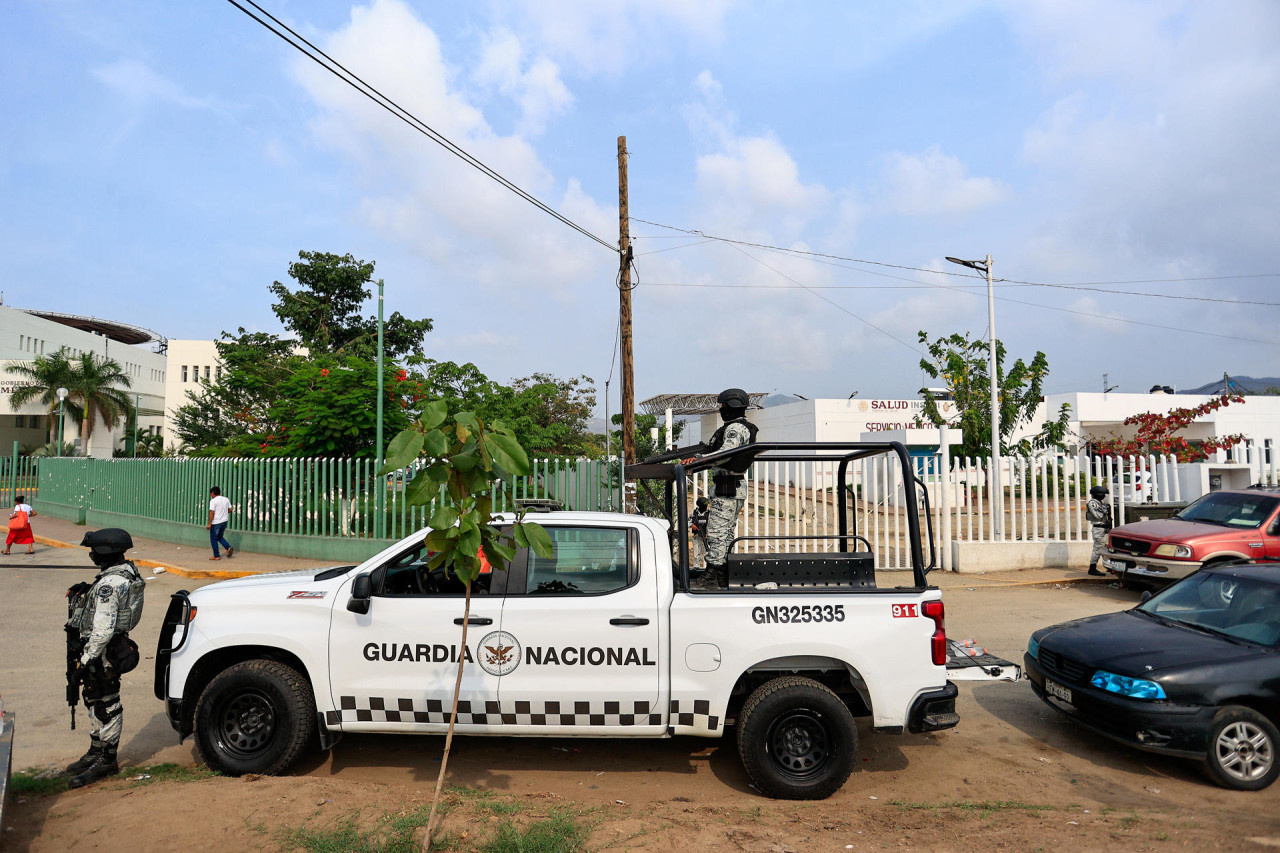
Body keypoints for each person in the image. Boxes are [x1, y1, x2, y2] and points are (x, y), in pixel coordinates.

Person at [65, 528, 145, 788]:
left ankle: (108, 759)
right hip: (105, 648)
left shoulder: (110, 585)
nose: (91, 555)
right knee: (93, 697)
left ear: (105, 552)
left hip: (102, 652)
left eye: (94, 551)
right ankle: (96, 750)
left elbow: (103, 629)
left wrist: (85, 661)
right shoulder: (124, 573)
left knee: (106, 703)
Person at [691, 388, 758, 589]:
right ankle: (724, 575)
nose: (721, 410)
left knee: (717, 532)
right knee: (726, 533)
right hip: (731, 487)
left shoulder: (735, 428)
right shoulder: (737, 427)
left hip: (728, 488)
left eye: (722, 406)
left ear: (732, 405)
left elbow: (726, 453)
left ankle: (712, 575)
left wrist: (699, 461)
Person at [1086, 485, 1112, 576]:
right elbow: (1098, 516)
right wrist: (1104, 510)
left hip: (1103, 528)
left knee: (1106, 548)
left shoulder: (1099, 503)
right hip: (1098, 529)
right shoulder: (1093, 503)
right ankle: (1092, 568)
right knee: (1098, 549)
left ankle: (1109, 566)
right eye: (1103, 494)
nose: (1104, 496)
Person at [206, 486, 234, 560]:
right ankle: (228, 547)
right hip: (224, 521)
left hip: (216, 523)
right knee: (219, 537)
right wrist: (225, 512)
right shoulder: (226, 499)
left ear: (212, 493)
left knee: (213, 539)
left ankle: (216, 555)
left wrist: (209, 524)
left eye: (210, 493)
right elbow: (231, 509)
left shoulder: (213, 501)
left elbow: (212, 512)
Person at [690, 496, 710, 570]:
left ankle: (709, 568)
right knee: (696, 554)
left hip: (706, 537)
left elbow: (711, 525)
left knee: (707, 553)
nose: (705, 506)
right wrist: (692, 525)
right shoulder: (694, 513)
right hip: (697, 536)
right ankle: (696, 567)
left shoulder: (709, 514)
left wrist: (708, 534)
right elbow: (688, 521)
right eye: (704, 505)